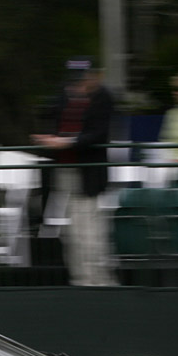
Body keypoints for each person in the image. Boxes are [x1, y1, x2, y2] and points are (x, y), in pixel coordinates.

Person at [31, 58, 117, 287]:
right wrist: (49, 139)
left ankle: (97, 281)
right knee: (71, 231)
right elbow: (49, 120)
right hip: (63, 171)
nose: (80, 81)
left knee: (90, 230)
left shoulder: (103, 97)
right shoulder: (63, 95)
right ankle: (79, 279)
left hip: (87, 174)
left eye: (84, 76)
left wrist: (66, 142)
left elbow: (98, 134)